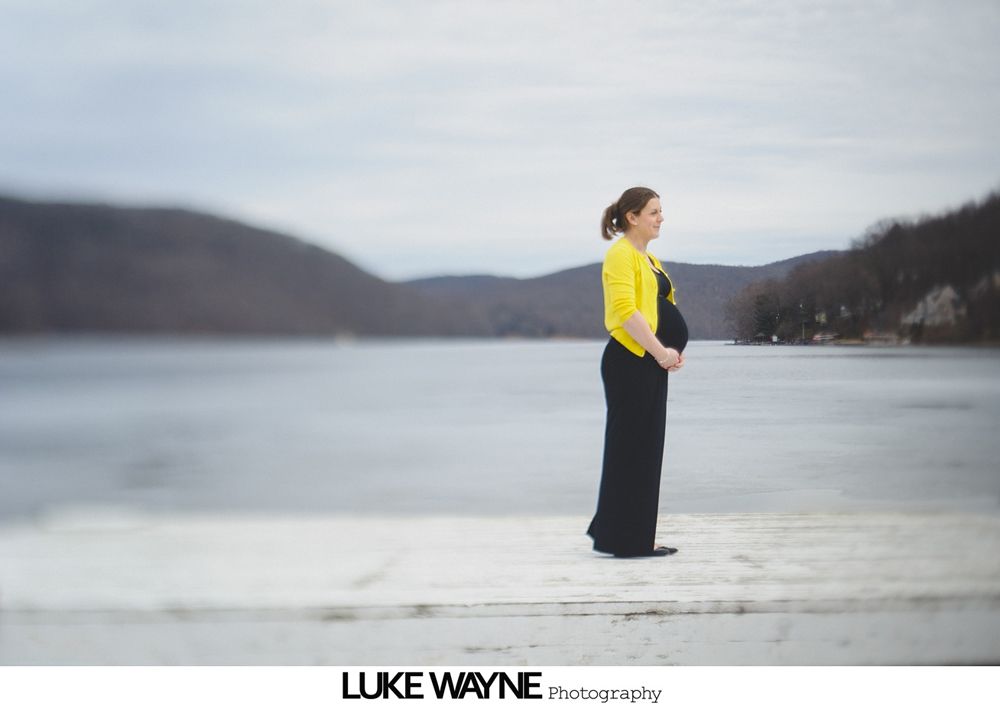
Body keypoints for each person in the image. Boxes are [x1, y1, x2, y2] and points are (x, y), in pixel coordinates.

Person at [586, 186, 688, 558]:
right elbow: (626, 311)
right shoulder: (620, 254)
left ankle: (627, 535)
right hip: (630, 361)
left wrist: (673, 352)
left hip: (649, 362)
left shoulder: (650, 259)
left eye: (661, 211)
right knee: (630, 450)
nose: (661, 218)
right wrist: (661, 351)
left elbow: (661, 310)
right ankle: (628, 540)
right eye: (653, 212)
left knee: (645, 451)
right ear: (632, 217)